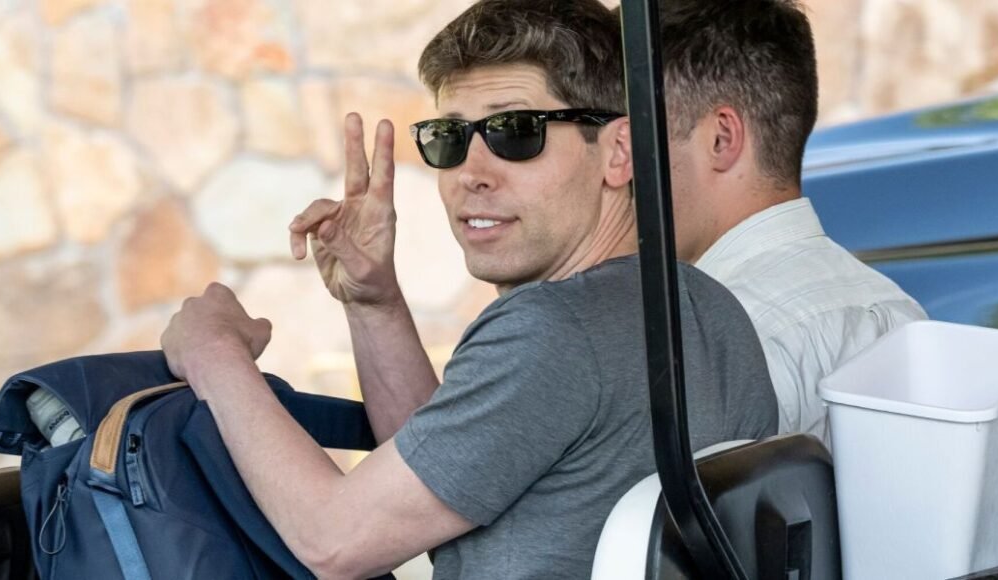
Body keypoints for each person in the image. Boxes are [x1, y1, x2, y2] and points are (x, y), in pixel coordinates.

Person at [160, 1, 777, 578]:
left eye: (517, 132)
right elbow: (442, 486)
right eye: (449, 139)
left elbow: (335, 541)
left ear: (618, 151)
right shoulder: (706, 305)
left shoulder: (550, 331)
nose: (470, 175)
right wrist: (374, 301)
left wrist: (216, 354)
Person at [655, 0, 928, 441]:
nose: (618, 166)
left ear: (721, 138)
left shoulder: (719, 346)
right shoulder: (900, 313)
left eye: (635, 137)